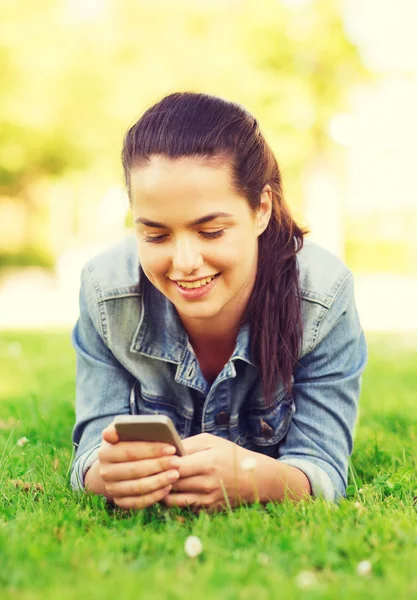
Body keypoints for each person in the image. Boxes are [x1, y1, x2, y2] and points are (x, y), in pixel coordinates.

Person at [70, 92, 367, 512]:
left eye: (210, 232)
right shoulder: (106, 291)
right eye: (155, 235)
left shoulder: (321, 296)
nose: (185, 263)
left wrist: (255, 478)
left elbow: (323, 468)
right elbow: (89, 454)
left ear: (261, 209)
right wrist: (108, 473)